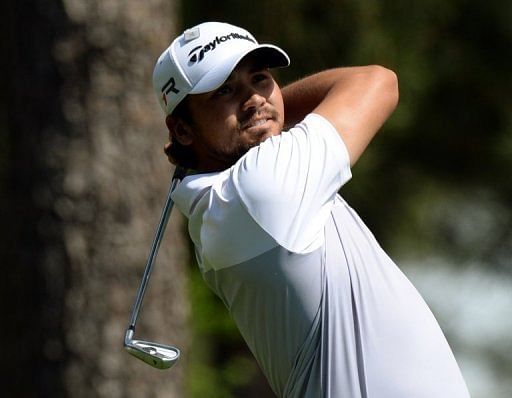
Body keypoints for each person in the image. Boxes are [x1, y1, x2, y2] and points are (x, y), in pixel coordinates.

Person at [153, 21, 470, 397]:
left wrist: (260, 113)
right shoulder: (260, 185)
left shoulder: (227, 201)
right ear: (183, 130)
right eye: (224, 90)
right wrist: (271, 111)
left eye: (260, 78)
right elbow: (378, 81)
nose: (254, 97)